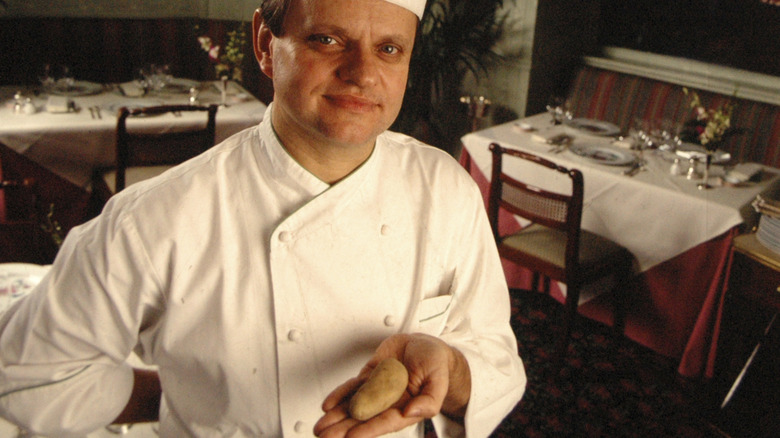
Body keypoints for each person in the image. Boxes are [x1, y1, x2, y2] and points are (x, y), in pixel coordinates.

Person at [0, 0, 526, 436]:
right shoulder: (153, 218)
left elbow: (496, 358)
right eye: (328, 40)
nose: (363, 73)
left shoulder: (446, 189)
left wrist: (450, 366)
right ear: (264, 44)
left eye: (389, 49)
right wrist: (177, 393)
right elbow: (27, 376)